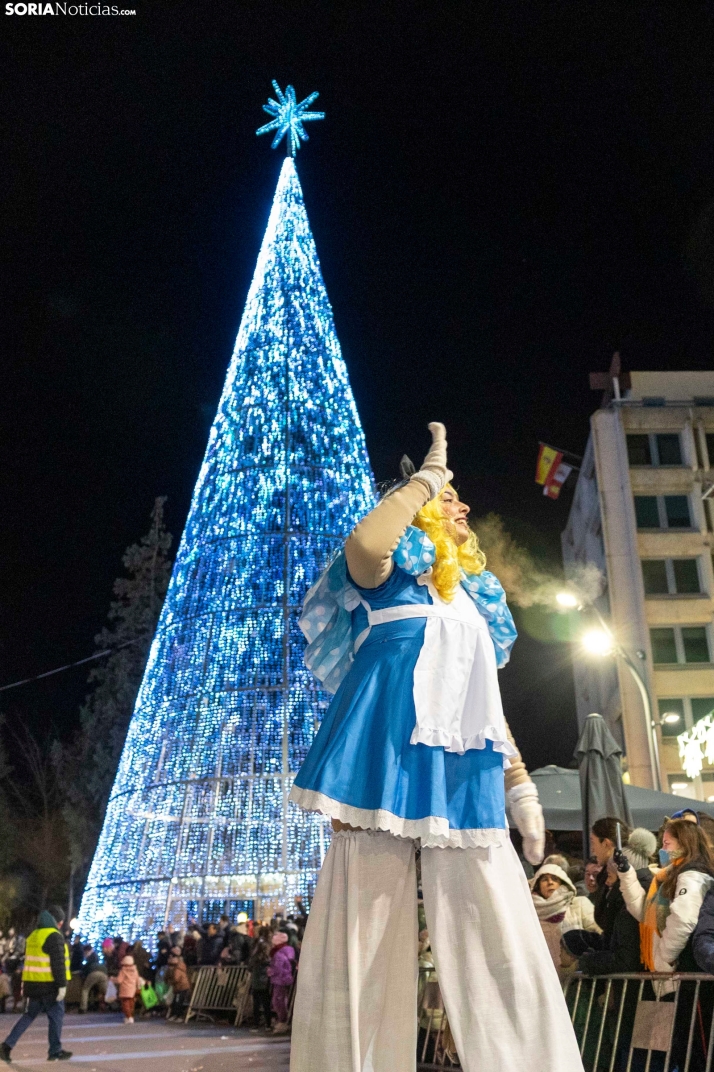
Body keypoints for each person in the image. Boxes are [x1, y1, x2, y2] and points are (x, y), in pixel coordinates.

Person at [289, 423, 583, 1072]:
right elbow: (368, 538)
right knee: (361, 952)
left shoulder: (472, 603)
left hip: (466, 781)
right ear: (416, 506)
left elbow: (484, 705)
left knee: (502, 944)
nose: (464, 508)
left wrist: (521, 783)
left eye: (456, 497)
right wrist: (429, 474)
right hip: (381, 772)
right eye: (450, 500)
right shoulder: (382, 578)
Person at [0, 905, 71, 1063]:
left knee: (28, 1016)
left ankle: (6, 1046)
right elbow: (57, 964)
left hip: (32, 985)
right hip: (49, 986)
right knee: (56, 1017)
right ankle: (55, 1051)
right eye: (60, 922)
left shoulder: (33, 936)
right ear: (56, 921)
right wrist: (61, 985)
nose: (60, 925)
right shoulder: (54, 936)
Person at [530, 863, 599, 972]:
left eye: (554, 879)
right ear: (538, 885)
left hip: (579, 979)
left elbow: (598, 937)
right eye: (544, 879)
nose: (550, 882)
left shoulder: (580, 904)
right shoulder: (530, 915)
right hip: (547, 978)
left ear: (562, 883)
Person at [268, 932, 294, 1035]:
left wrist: (271, 971)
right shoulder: (288, 951)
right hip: (285, 978)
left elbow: (277, 968)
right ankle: (283, 1020)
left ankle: (282, 1020)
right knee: (282, 999)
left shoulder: (278, 954)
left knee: (278, 1000)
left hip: (280, 979)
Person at [248, 926, 273, 1031]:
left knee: (257, 1002)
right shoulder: (267, 944)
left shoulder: (257, 944)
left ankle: (256, 1024)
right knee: (266, 1002)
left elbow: (253, 960)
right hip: (264, 976)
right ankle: (268, 1024)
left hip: (257, 975)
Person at [79, 943, 108, 1013]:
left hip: (93, 973)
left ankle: (83, 1008)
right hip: (103, 973)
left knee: (85, 990)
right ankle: (114, 1005)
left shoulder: (91, 957)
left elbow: (85, 969)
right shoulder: (96, 957)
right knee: (106, 991)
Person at [165, 947, 191, 1021]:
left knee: (179, 1002)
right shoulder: (172, 968)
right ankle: (175, 1014)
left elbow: (176, 978)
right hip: (177, 987)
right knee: (175, 1002)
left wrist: (170, 982)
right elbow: (167, 977)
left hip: (182, 987)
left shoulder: (178, 968)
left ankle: (179, 1015)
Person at [115, 954, 140, 1024]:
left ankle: (128, 1017)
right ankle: (131, 1016)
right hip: (132, 990)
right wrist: (138, 986)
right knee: (131, 1004)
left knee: (125, 1004)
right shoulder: (135, 970)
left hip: (124, 990)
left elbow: (119, 980)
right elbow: (137, 979)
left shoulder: (123, 971)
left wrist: (113, 979)